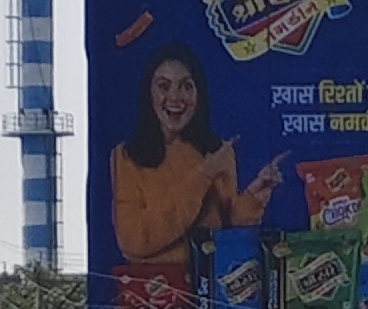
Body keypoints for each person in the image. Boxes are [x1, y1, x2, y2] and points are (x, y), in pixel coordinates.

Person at [106, 46, 284, 266]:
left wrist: (254, 197)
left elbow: (228, 230)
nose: (175, 97)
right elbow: (135, 241)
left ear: (198, 93)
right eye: (164, 86)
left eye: (186, 86)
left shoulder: (217, 150)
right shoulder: (125, 156)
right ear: (148, 93)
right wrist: (202, 177)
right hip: (154, 289)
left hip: (212, 284)